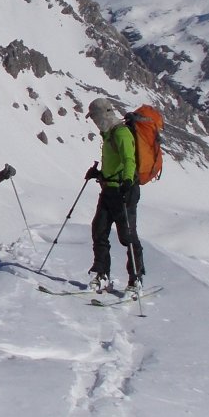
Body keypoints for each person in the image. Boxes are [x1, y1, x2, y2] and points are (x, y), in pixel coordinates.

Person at [85, 98, 146, 294]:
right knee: (99, 229)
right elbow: (115, 163)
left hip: (124, 191)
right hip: (109, 189)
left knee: (127, 235)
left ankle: (136, 279)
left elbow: (129, 160)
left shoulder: (121, 133)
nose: (94, 121)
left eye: (94, 117)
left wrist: (127, 181)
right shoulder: (108, 134)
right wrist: (99, 174)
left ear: (103, 114)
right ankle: (102, 273)